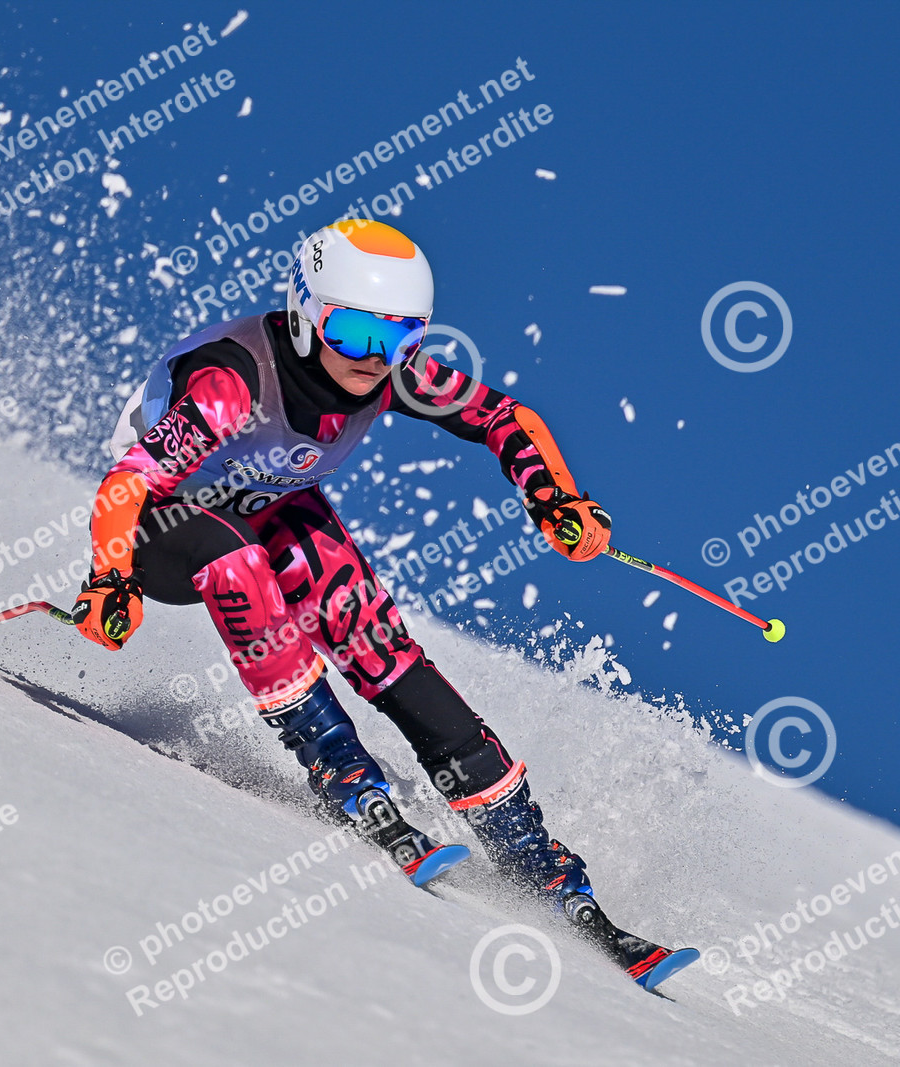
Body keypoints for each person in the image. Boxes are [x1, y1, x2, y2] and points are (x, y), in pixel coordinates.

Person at [75, 219, 684, 985]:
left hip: (268, 504)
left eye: (400, 338)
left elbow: (505, 418)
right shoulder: (234, 380)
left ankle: (534, 856)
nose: (374, 357)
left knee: (378, 643)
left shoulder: (392, 373)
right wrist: (109, 578)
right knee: (239, 563)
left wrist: (553, 497)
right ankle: (344, 774)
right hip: (163, 527)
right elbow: (128, 485)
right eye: (355, 332)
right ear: (305, 313)